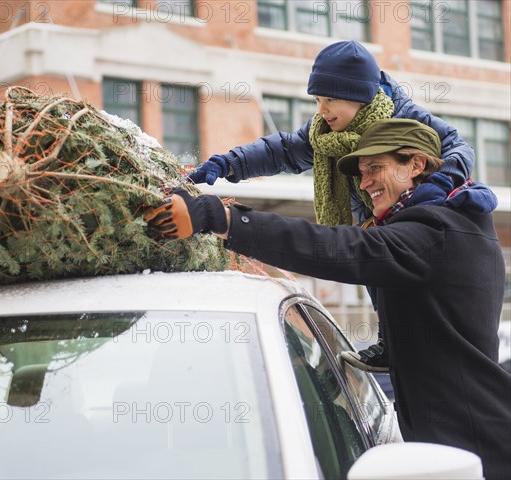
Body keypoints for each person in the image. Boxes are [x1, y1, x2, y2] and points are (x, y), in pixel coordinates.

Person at [144, 119, 510, 480]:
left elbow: (340, 250)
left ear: (415, 164)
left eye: (375, 168)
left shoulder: (437, 232)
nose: (364, 183)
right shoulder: (445, 223)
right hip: (455, 437)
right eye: (362, 172)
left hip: (474, 448)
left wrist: (222, 218)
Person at [188, 40, 475, 372]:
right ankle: (393, 345)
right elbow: (280, 152)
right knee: (377, 275)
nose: (322, 109)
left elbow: (458, 147)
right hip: (373, 221)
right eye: (318, 100)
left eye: (331, 100)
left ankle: (419, 345)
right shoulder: (324, 133)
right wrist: (227, 164)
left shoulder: (402, 117)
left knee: (404, 284)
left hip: (418, 219)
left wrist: (438, 185)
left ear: (358, 95)